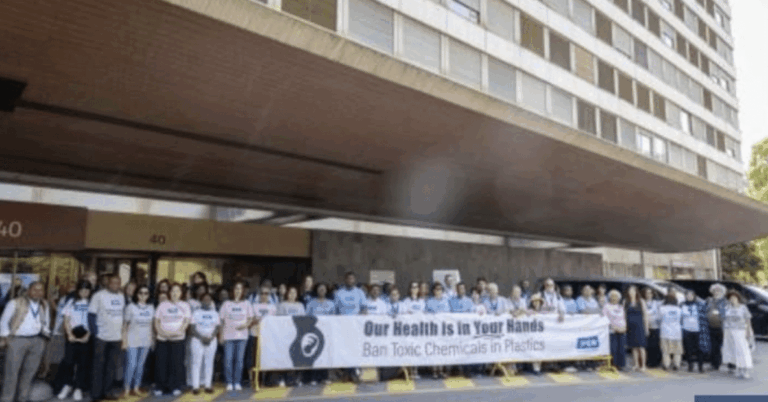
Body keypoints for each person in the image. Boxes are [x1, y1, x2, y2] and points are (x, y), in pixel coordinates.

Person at [0, 282, 51, 402]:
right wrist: (7, 338)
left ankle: (22, 399)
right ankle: (7, 399)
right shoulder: (15, 302)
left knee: (29, 373)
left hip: (37, 341)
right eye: (35, 290)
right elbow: (3, 322)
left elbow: (46, 322)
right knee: (11, 373)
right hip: (17, 341)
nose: (38, 293)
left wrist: (45, 335)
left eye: (40, 290)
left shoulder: (44, 304)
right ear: (28, 291)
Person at [89, 275, 125, 402]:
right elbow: (91, 315)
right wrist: (96, 333)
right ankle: (96, 394)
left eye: (118, 283)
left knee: (111, 366)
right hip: (101, 337)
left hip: (116, 337)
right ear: (108, 283)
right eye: (113, 282)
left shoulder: (121, 296)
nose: (115, 285)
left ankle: (107, 391)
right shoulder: (98, 295)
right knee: (98, 366)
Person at [54, 280, 92, 401]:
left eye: (87, 290)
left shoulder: (92, 303)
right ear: (78, 291)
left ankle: (78, 388)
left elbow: (94, 321)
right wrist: (69, 334)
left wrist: (88, 335)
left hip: (86, 334)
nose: (84, 292)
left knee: (82, 363)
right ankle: (67, 385)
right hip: (72, 333)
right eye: (82, 290)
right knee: (69, 362)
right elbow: (66, 319)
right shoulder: (71, 301)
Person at [154, 283, 191, 396]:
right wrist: (162, 332)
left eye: (177, 291)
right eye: (173, 291)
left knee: (176, 364)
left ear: (181, 293)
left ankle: (175, 386)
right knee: (161, 363)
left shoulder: (185, 305)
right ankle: (160, 387)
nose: (175, 293)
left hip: (178, 339)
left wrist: (178, 332)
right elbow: (156, 321)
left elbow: (186, 321)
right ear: (169, 293)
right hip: (162, 339)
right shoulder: (163, 305)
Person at [220, 281, 253, 391]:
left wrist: (245, 325)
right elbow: (221, 320)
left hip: (242, 336)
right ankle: (229, 382)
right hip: (228, 336)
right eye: (236, 288)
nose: (238, 291)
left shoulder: (247, 304)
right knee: (228, 359)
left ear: (243, 291)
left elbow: (250, 318)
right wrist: (221, 335)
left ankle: (237, 381)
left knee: (239, 360)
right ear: (232, 291)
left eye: (240, 289)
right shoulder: (226, 304)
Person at [122, 285, 154, 397]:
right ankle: (126, 388)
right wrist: (124, 341)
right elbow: (125, 325)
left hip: (145, 340)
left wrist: (152, 340)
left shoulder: (151, 308)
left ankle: (136, 387)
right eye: (141, 293)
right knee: (131, 364)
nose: (143, 295)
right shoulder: (130, 307)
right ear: (136, 294)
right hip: (132, 340)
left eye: (146, 293)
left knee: (140, 366)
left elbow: (151, 325)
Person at [189, 293, 220, 394]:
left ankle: (207, 385)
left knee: (209, 363)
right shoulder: (196, 313)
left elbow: (217, 327)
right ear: (201, 301)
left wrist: (211, 337)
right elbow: (192, 328)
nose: (207, 301)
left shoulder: (215, 313)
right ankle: (195, 386)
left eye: (209, 299)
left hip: (211, 340)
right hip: (197, 340)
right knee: (196, 363)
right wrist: (201, 337)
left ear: (211, 301)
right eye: (205, 299)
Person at [276, 287, 306, 387]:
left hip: (296, 335)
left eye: (294, 293)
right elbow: (278, 320)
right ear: (287, 294)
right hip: (285, 335)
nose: (292, 295)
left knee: (295, 358)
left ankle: (294, 379)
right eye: (290, 292)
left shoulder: (300, 305)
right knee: (285, 357)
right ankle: (282, 378)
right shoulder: (282, 305)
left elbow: (303, 319)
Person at [306, 283, 334, 385]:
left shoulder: (331, 303)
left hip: (326, 333)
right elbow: (307, 316)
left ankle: (324, 377)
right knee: (314, 354)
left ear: (326, 291)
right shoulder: (311, 303)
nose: (322, 290)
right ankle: (314, 377)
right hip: (314, 332)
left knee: (325, 355)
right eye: (320, 289)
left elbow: (334, 318)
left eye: (323, 289)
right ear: (316, 291)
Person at [721, 290, 754, 379]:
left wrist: (748, 331)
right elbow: (724, 319)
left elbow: (748, 319)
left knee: (742, 351)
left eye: (734, 298)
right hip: (729, 331)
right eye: (731, 298)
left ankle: (745, 370)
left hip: (740, 331)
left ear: (738, 298)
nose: (733, 300)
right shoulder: (727, 307)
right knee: (733, 351)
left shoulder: (743, 307)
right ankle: (739, 369)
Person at [251, 286, 278, 387]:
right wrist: (255, 321)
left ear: (269, 296)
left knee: (268, 358)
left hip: (269, 337)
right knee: (256, 359)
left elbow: (276, 322)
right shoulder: (253, 306)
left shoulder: (273, 307)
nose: (264, 295)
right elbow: (250, 320)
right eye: (262, 293)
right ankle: (257, 380)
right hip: (256, 335)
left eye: (266, 294)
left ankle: (268, 381)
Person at [681, 289, 710, 373]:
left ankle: (700, 366)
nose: (689, 296)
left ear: (694, 296)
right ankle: (690, 365)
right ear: (685, 296)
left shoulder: (699, 305)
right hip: (686, 330)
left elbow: (705, 315)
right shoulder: (682, 305)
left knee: (699, 349)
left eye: (691, 295)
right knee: (688, 348)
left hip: (697, 330)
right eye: (687, 295)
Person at [426, 283, 450, 379]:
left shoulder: (446, 301)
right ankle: (435, 371)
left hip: (443, 330)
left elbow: (448, 314)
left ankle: (441, 370)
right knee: (434, 350)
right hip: (433, 329)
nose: (438, 291)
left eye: (440, 289)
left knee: (442, 350)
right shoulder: (429, 301)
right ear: (433, 291)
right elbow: (427, 314)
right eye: (436, 289)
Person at [623, 285, 649, 372]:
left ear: (636, 292)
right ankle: (636, 364)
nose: (631, 293)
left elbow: (645, 315)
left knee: (641, 347)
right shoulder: (626, 302)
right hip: (630, 327)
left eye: (633, 291)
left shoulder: (641, 301)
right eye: (630, 291)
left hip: (640, 326)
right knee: (633, 347)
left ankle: (643, 365)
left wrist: (646, 328)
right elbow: (623, 315)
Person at [706, 283, 729, 372]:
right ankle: (715, 364)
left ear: (722, 292)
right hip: (711, 326)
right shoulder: (709, 300)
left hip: (722, 327)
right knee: (714, 347)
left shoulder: (726, 302)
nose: (716, 292)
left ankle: (731, 364)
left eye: (718, 291)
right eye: (715, 291)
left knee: (725, 346)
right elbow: (706, 310)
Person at [603, 289, 626, 371]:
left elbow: (623, 318)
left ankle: (621, 365)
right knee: (614, 348)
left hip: (622, 330)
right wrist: (614, 327)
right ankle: (614, 365)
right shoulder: (606, 306)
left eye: (616, 296)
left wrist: (624, 327)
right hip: (612, 331)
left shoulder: (620, 306)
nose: (614, 298)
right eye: (612, 296)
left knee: (621, 348)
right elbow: (605, 319)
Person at [659, 293, 683, 371]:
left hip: (665, 332)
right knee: (677, 350)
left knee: (665, 350)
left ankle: (666, 364)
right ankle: (677, 364)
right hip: (676, 332)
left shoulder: (662, 308)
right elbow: (681, 320)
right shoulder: (679, 309)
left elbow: (659, 318)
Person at [642, 288, 662, 369]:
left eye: (650, 293)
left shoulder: (657, 303)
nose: (648, 295)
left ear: (652, 294)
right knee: (647, 345)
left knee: (655, 345)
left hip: (655, 326)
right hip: (646, 327)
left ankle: (656, 362)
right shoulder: (643, 302)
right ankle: (648, 362)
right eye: (647, 293)